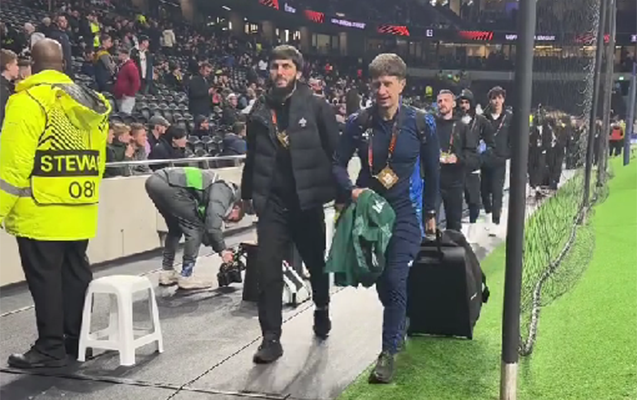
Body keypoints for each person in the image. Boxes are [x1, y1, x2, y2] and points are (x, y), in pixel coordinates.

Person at [0, 39, 110, 368]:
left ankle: (50, 347)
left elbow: (13, 165)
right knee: (76, 275)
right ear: (63, 65)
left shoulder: (28, 101)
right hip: (80, 206)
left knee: (45, 280)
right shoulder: (91, 102)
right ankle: (78, 341)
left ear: (32, 66)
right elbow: (99, 159)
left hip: (41, 210)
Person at [333, 53, 440, 384]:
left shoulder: (422, 123)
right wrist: (350, 190)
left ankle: (388, 352)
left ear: (401, 85)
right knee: (381, 278)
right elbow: (336, 163)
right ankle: (400, 316)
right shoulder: (358, 123)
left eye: (388, 84)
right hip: (370, 215)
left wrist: (431, 212)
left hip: (407, 213)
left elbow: (433, 171)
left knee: (395, 277)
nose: (381, 90)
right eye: (376, 84)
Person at [240, 45, 340, 364]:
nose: (280, 72)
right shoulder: (258, 109)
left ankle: (322, 307)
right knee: (267, 269)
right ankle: (271, 338)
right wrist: (246, 196)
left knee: (316, 265)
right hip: (273, 203)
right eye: (274, 66)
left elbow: (335, 153)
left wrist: (342, 195)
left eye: (286, 66)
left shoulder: (317, 106)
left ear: (298, 70)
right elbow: (252, 157)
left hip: (307, 202)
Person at [145, 167, 245, 290]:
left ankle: (167, 272)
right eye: (232, 219)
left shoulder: (215, 191)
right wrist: (223, 251)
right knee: (194, 229)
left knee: (175, 229)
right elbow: (212, 227)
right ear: (236, 208)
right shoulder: (225, 192)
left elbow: (207, 231)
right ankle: (186, 276)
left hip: (156, 182)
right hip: (169, 185)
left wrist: (218, 246)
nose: (226, 219)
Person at [435, 89, 478, 232]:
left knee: (454, 224)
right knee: (430, 220)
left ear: (453, 104)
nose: (442, 104)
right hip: (434, 180)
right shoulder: (431, 125)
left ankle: (453, 245)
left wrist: (457, 158)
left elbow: (472, 154)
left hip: (454, 181)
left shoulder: (462, 127)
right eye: (439, 101)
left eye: (446, 100)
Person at [457, 89, 494, 240]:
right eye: (461, 102)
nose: (463, 105)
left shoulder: (481, 121)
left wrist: (480, 158)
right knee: (455, 200)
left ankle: (473, 227)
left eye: (466, 102)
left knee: (473, 200)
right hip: (456, 165)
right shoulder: (455, 119)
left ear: (471, 103)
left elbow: (490, 143)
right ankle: (456, 231)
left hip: (473, 165)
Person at [482, 86, 512, 235]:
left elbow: (512, 137)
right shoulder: (483, 117)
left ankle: (495, 220)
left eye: (499, 98)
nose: (497, 101)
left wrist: (506, 154)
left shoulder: (509, 117)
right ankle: (488, 214)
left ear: (503, 99)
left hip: (500, 160)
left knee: (497, 191)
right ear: (490, 100)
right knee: (483, 191)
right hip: (485, 159)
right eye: (494, 98)